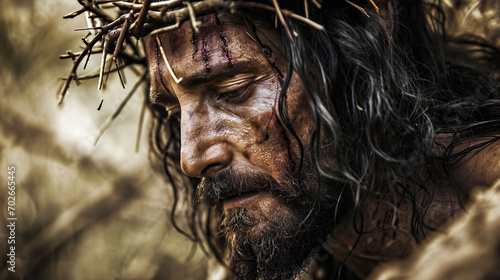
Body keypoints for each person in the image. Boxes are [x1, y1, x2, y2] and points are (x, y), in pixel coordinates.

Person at [62, 0, 500, 279]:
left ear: (357, 41)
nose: (191, 156)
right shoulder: (274, 235)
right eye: (175, 109)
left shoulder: (484, 183)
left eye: (234, 90)